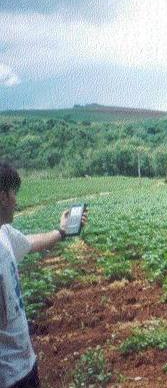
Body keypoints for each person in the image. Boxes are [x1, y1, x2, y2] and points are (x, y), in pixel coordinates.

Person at [0, 162, 87, 388]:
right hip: (8, 377)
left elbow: (30, 242)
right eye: (13, 194)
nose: (16, 201)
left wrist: (62, 231)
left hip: (25, 364)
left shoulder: (4, 234)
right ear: (2, 197)